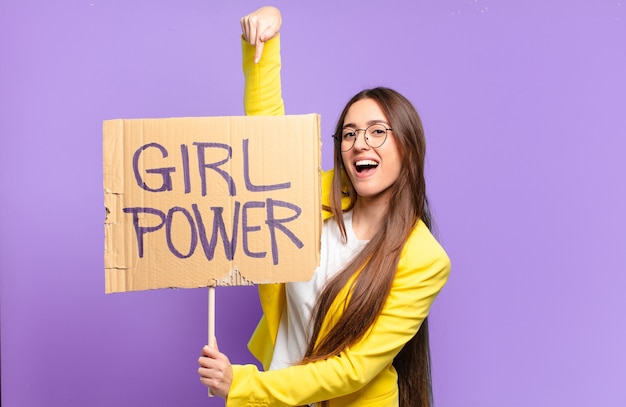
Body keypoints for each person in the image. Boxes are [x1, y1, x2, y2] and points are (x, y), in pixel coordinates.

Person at [198, 6, 451, 407]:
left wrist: (243, 385)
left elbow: (352, 370)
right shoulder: (311, 198)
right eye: (349, 133)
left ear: (409, 147)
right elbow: (270, 142)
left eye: (377, 132)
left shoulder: (424, 260)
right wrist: (264, 42)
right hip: (279, 397)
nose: (359, 143)